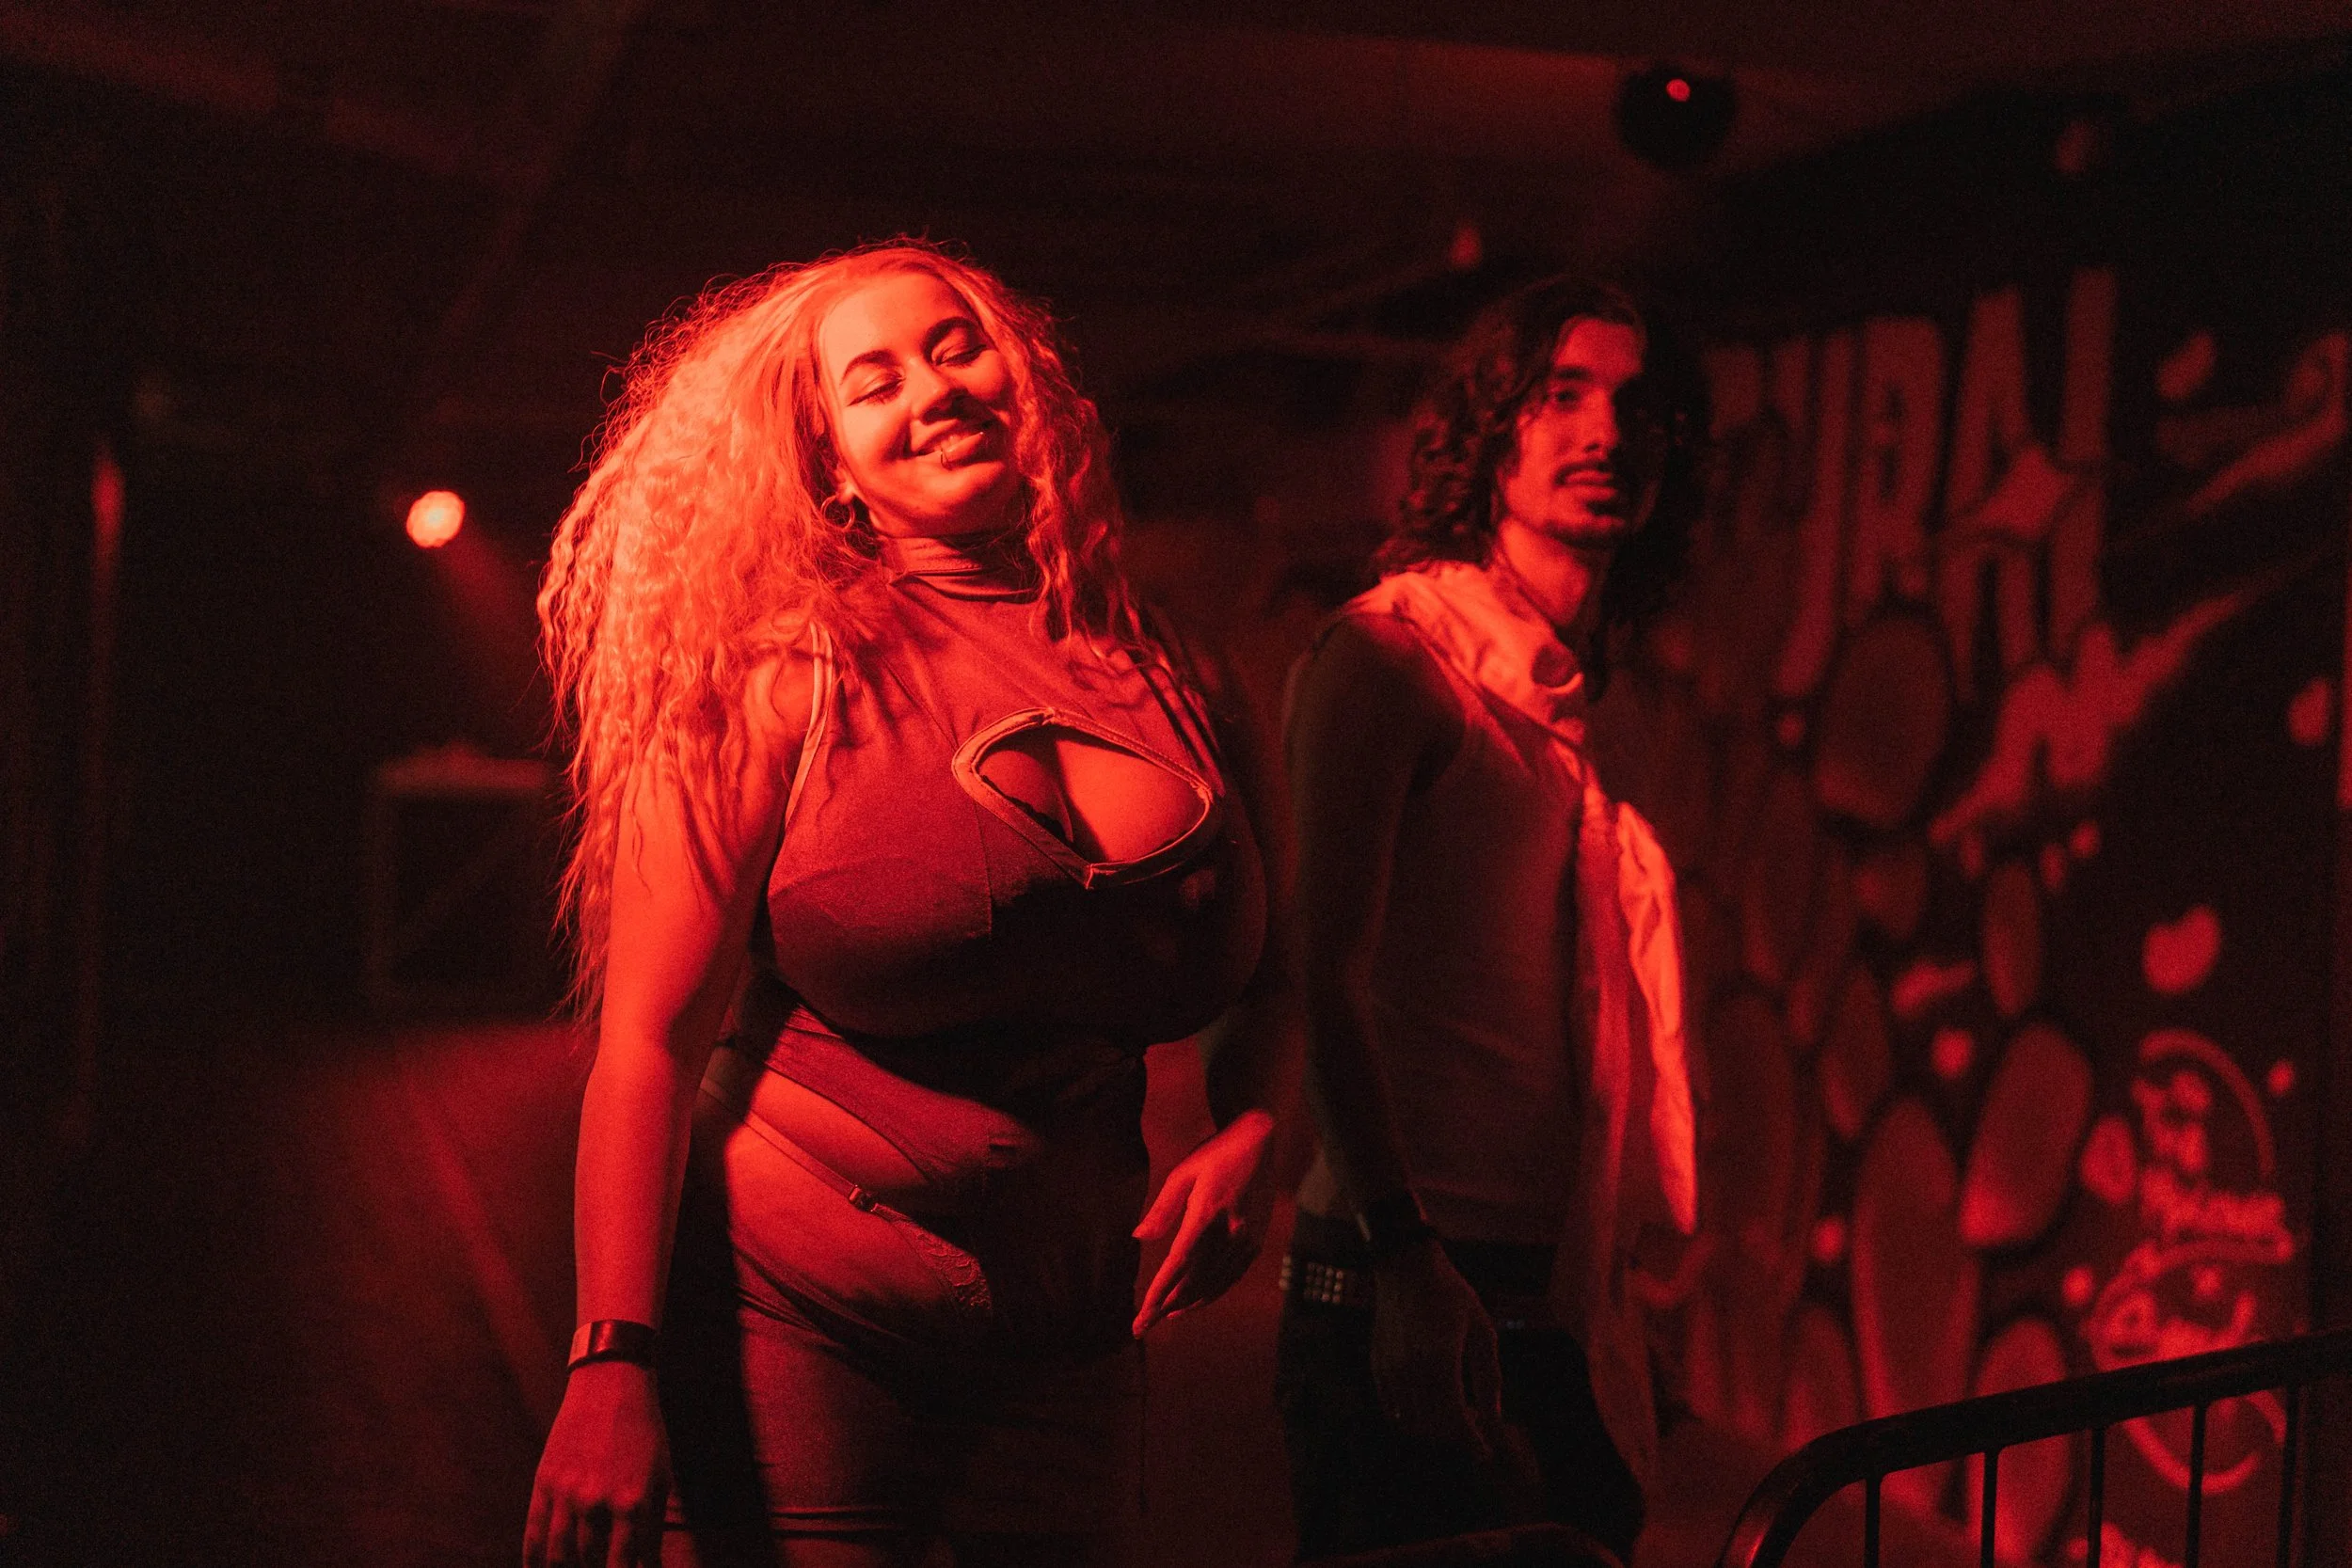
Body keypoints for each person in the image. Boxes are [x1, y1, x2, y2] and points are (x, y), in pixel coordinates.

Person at [523, 240, 1285, 1568]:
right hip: (791, 1316)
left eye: (954, 346)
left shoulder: (1178, 669)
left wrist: (1259, 1121)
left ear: (1025, 377)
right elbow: (647, 1038)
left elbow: (1282, 960)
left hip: (1070, 1340)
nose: (931, 390)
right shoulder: (776, 678)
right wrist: (611, 1359)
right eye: (872, 382)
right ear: (830, 461)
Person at [1275, 276, 1705, 1564]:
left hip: (1548, 1280)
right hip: (1396, 1265)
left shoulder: (1575, 705)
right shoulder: (1398, 655)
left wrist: (1622, 1297)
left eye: (1638, 406)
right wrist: (1403, 1255)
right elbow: (1321, 970)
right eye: (1560, 394)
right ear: (1491, 431)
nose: (1606, 432)